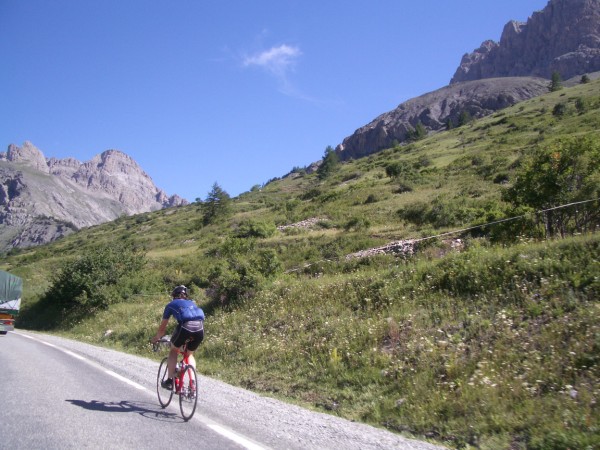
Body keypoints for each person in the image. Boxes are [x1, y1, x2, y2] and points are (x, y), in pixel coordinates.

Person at [151, 285, 205, 390]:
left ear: (174, 296)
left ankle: (170, 380)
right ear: (186, 296)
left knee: (174, 350)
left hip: (185, 326)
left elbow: (162, 329)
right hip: (200, 328)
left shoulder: (171, 305)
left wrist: (156, 338)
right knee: (189, 354)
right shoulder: (192, 303)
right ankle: (192, 383)